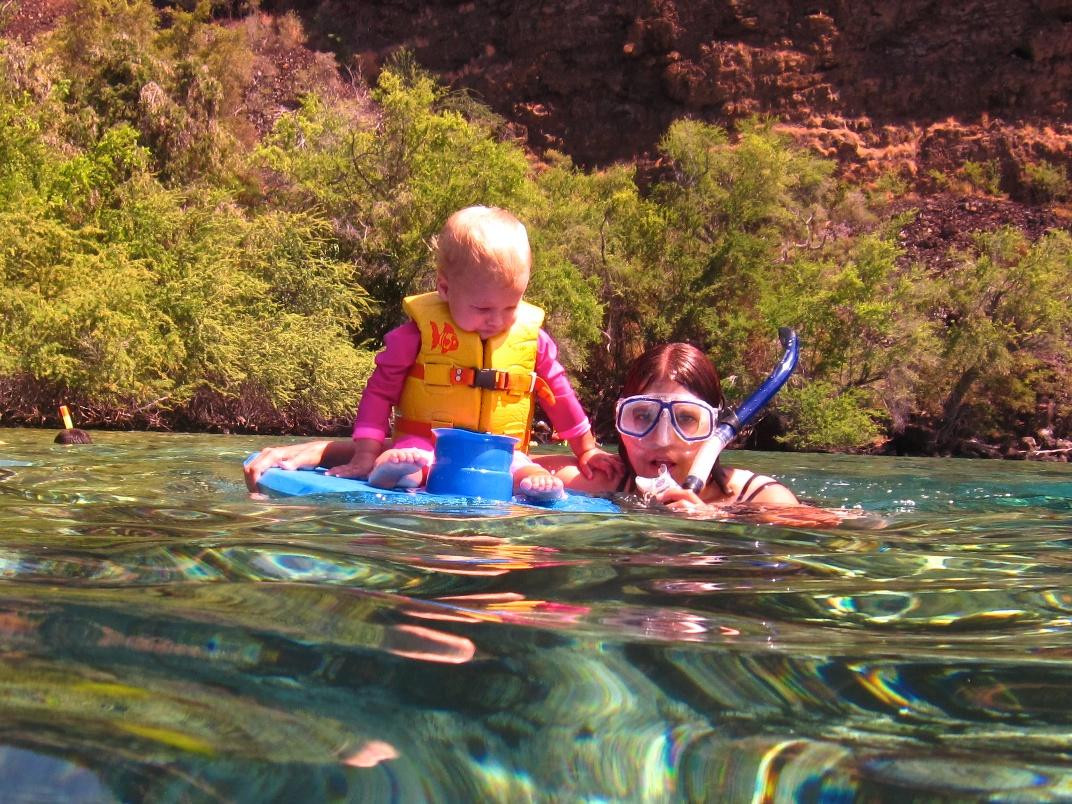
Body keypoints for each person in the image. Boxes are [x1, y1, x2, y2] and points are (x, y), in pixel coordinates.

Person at [249, 206, 621, 500]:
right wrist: (364, 452)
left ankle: (533, 486)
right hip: (425, 444)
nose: (497, 321)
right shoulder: (416, 337)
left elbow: (559, 395)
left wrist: (586, 449)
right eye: (483, 309)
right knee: (414, 464)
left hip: (498, 453)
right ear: (444, 288)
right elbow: (379, 394)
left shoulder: (531, 340)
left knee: (524, 469)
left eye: (511, 307)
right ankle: (390, 471)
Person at [536, 342, 827, 519]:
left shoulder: (759, 498)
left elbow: (859, 531)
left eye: (686, 418)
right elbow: (505, 466)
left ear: (713, 427)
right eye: (641, 416)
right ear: (618, 420)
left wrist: (713, 519)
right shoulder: (602, 482)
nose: (662, 440)